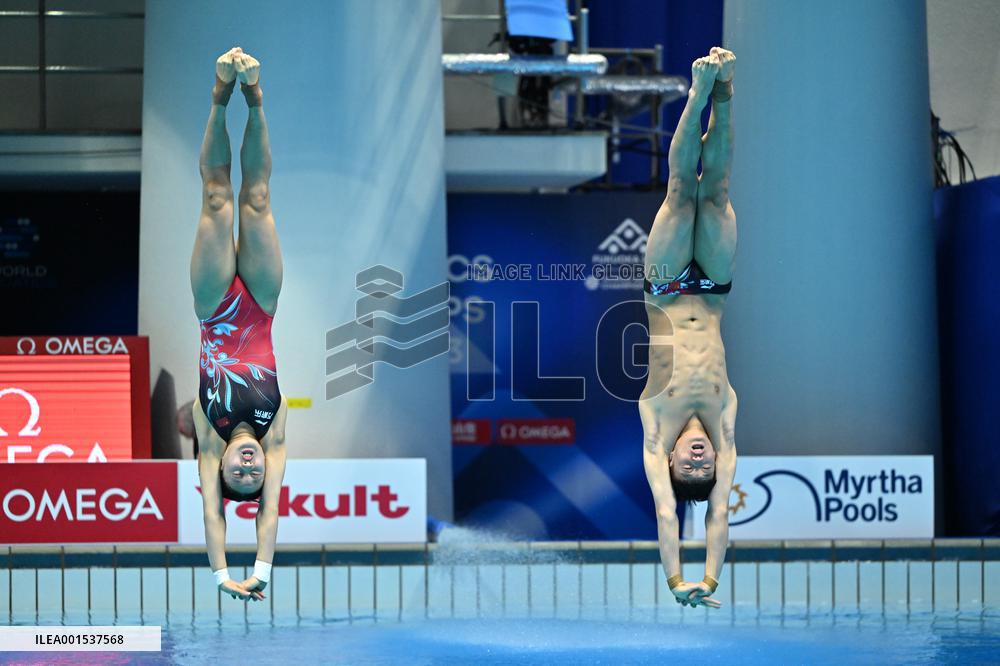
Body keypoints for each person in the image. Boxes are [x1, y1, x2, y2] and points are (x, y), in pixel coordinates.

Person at [639, 47, 737, 610]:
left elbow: (665, 510)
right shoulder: (725, 427)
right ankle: (724, 92)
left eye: (689, 466)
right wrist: (711, 579)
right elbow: (718, 512)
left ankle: (696, 93)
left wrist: (678, 581)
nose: (699, 460)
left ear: (673, 461)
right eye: (706, 466)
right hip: (714, 291)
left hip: (667, 289)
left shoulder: (656, 431)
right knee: (716, 191)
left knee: (681, 192)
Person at [190, 47, 288, 603]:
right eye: (255, 476)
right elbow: (268, 514)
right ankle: (253, 97)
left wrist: (222, 575)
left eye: (239, 476)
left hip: (213, 307)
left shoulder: (209, 435)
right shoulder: (274, 432)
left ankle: (218, 95)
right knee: (256, 198)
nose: (249, 469)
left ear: (222, 466)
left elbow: (213, 515)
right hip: (261, 304)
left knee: (215, 198)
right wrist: (263, 572)